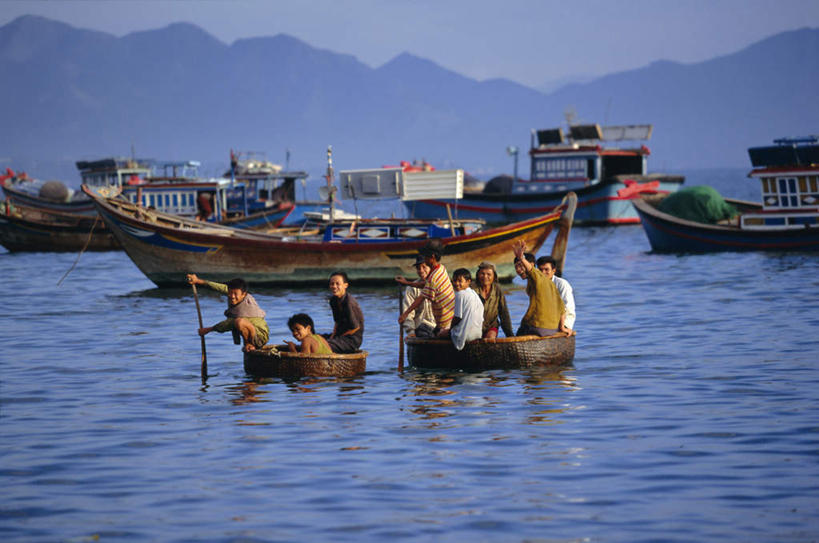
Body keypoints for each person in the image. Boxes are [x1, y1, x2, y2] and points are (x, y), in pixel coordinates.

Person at [186, 274, 269, 352]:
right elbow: (222, 287)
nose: (232, 296)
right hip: (251, 331)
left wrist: (209, 329)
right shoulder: (237, 294)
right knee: (239, 322)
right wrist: (198, 281)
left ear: (244, 294)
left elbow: (228, 324)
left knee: (239, 322)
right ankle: (248, 344)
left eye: (235, 294)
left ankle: (250, 344)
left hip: (260, 337)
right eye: (230, 293)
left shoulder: (246, 307)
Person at [512, 240, 573, 337]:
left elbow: (532, 271)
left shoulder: (539, 278)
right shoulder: (548, 282)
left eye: (521, 266)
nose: (518, 270)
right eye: (516, 267)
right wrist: (561, 327)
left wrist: (521, 258)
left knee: (521, 328)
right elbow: (561, 307)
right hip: (553, 327)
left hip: (540, 327)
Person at [396, 240, 455, 337]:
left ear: (432, 257)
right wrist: (407, 283)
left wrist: (404, 314)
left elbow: (421, 297)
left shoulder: (433, 278)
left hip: (443, 325)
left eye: (425, 265)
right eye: (418, 268)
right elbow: (425, 285)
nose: (421, 271)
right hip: (433, 325)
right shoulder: (442, 268)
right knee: (422, 329)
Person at [443, 268, 484, 350]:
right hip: (478, 334)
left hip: (466, 335)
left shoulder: (460, 294)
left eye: (460, 281)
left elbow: (458, 317)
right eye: (454, 281)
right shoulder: (474, 293)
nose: (456, 284)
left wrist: (449, 330)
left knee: (440, 333)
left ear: (468, 282)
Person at [324, 271, 364, 353]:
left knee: (323, 346)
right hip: (340, 336)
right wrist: (332, 337)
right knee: (315, 339)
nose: (334, 286)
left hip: (352, 339)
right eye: (332, 284)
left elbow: (355, 328)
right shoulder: (333, 300)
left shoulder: (348, 302)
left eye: (337, 284)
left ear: (345, 285)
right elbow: (337, 322)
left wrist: (336, 339)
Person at [474, 261, 514, 339]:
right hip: (474, 326)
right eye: (482, 274)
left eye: (489, 274)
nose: (485, 277)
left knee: (490, 337)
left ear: (494, 277)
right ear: (478, 275)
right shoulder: (472, 289)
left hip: (491, 326)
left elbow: (504, 313)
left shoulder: (497, 290)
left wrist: (510, 335)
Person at [400, 255, 437, 338]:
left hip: (438, 327)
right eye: (418, 268)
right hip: (421, 328)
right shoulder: (411, 289)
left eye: (424, 267)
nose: (421, 271)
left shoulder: (438, 284)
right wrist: (411, 332)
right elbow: (408, 314)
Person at [536, 255, 576, 330]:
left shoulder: (562, 284)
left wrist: (563, 326)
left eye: (546, 269)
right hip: (545, 323)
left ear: (553, 270)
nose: (543, 273)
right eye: (540, 270)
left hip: (564, 322)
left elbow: (567, 307)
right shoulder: (538, 284)